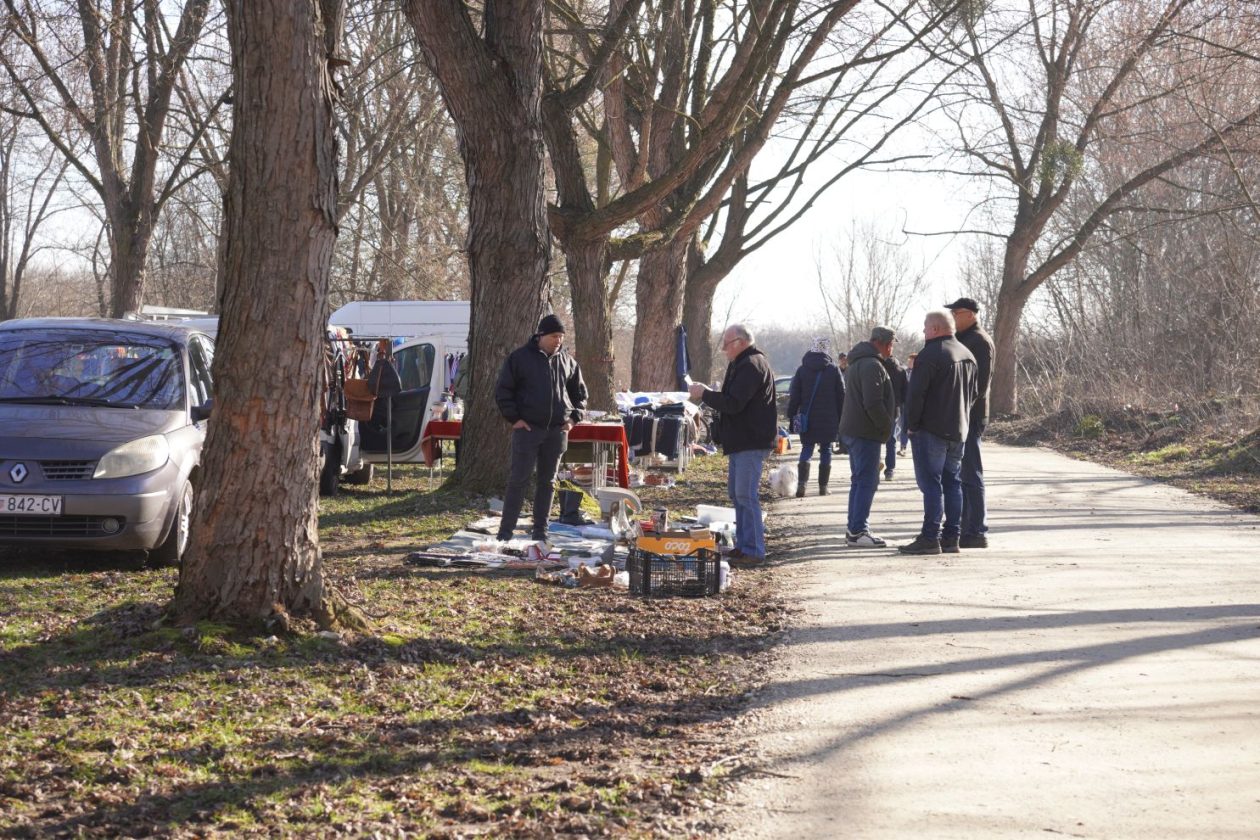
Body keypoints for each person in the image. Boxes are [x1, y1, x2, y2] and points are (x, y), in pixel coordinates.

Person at [494, 314, 588, 542]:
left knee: (548, 483)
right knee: (518, 480)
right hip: (527, 430)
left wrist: (572, 420)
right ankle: (505, 532)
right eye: (554, 336)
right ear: (541, 335)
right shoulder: (519, 358)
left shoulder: (568, 361)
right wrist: (514, 418)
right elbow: (503, 391)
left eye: (561, 337)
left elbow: (580, 395)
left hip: (557, 432)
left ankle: (540, 531)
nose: (558, 341)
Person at [689, 324, 777, 565]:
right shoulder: (743, 363)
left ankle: (754, 550)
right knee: (737, 495)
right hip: (743, 440)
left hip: (750, 439)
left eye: (726, 345)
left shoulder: (751, 365)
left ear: (739, 342)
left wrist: (705, 393)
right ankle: (743, 545)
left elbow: (734, 403)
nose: (724, 350)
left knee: (746, 495)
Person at [900, 309, 978, 555]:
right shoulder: (968, 355)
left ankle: (930, 536)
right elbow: (974, 394)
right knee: (952, 483)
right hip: (959, 430)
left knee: (931, 484)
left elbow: (916, 395)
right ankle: (951, 536)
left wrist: (910, 425)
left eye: (925, 327)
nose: (923, 332)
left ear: (935, 328)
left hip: (930, 430)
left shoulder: (930, 355)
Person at [838, 326, 897, 547]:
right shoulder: (872, 365)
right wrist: (886, 427)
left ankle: (854, 528)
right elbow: (873, 403)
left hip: (855, 430)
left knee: (859, 481)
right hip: (866, 432)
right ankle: (858, 530)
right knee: (867, 482)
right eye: (891, 343)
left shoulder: (857, 362)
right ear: (882, 343)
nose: (892, 348)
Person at [946, 296, 996, 549]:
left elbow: (980, 383)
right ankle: (967, 527)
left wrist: (961, 408)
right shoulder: (963, 340)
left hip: (971, 416)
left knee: (971, 473)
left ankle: (976, 529)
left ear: (971, 314)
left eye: (956, 312)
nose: (953, 317)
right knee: (962, 473)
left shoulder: (979, 341)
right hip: (960, 415)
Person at [786, 336, 844, 497]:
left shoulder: (802, 369)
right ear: (826, 349)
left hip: (807, 417)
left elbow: (794, 396)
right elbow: (842, 395)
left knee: (807, 448)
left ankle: (802, 485)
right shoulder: (833, 370)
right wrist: (841, 417)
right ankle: (823, 487)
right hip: (829, 418)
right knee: (826, 450)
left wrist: (791, 415)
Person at [881, 352, 908, 481]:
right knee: (891, 441)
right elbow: (906, 393)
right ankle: (890, 470)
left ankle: (874, 464)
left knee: (873, 439)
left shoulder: (877, 367)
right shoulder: (901, 371)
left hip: (877, 407)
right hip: (894, 409)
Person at [898, 353, 917, 455]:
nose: (909, 362)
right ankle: (903, 447)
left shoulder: (920, 373)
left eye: (911, 361)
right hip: (905, 403)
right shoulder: (904, 372)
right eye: (909, 361)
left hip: (916, 403)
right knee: (904, 425)